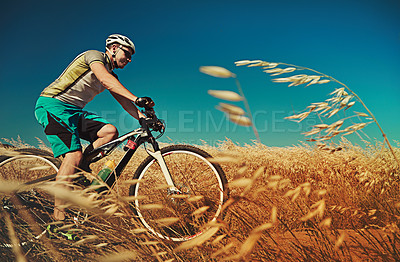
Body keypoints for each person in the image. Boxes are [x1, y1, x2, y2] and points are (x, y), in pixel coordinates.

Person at [35, 34, 146, 222]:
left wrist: (144, 117)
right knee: (73, 156)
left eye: (131, 56)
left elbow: (124, 102)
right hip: (53, 105)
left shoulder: (113, 75)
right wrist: (137, 98)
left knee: (110, 132)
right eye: (126, 53)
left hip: (74, 112)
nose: (129, 59)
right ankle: (58, 221)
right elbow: (104, 79)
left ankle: (80, 169)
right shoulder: (94, 56)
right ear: (113, 48)